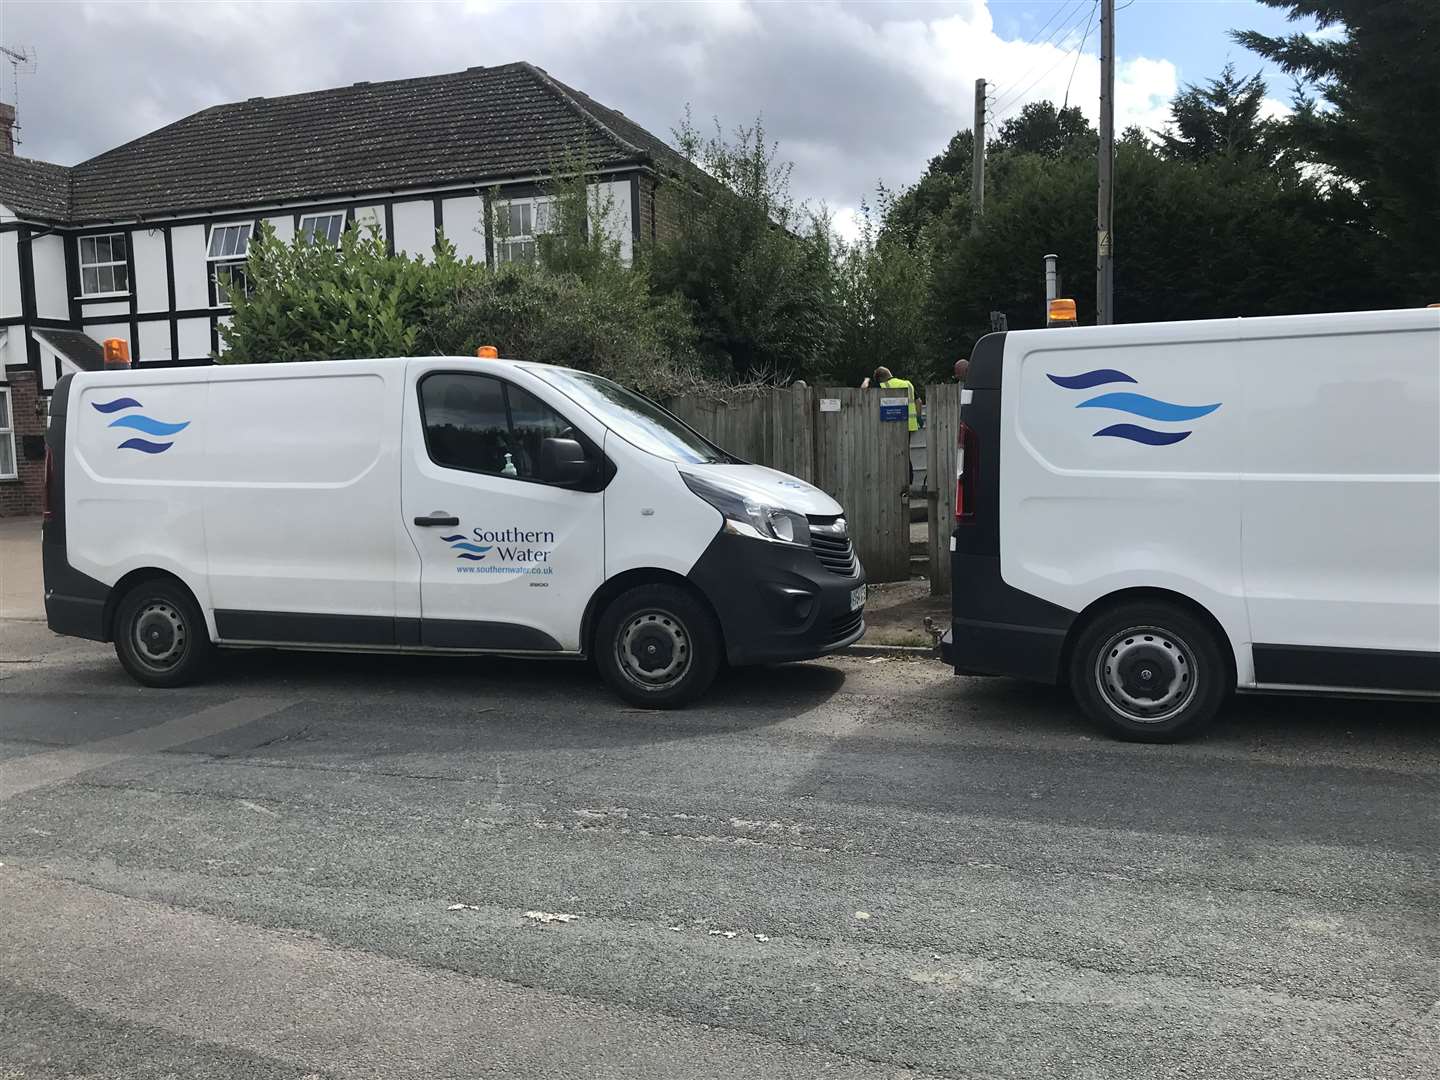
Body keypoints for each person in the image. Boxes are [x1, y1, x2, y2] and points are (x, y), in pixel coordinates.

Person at [861, 366, 919, 433]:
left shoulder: (882, 385)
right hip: (910, 425)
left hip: (891, 424)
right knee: (905, 443)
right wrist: (919, 417)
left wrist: (866, 380)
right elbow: (918, 401)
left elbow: (863, 390)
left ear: (880, 378)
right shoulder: (908, 384)